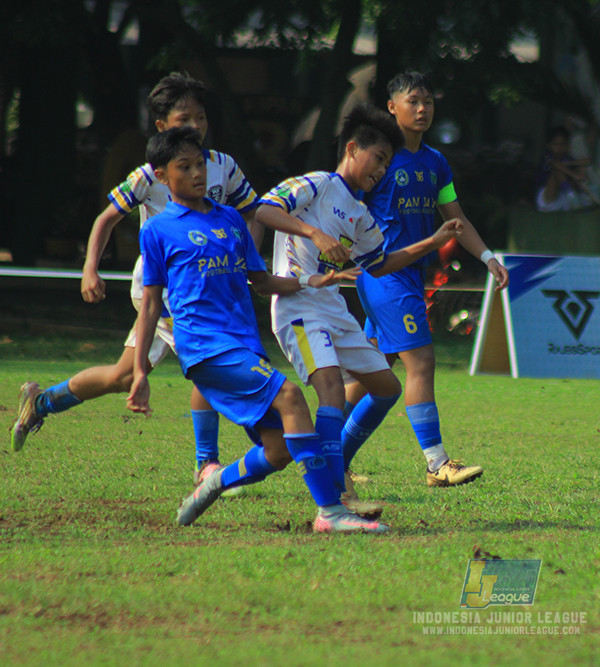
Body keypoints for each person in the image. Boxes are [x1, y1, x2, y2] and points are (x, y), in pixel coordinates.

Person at [127, 126, 393, 533]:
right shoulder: (158, 230)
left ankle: (216, 481)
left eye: (200, 164)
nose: (198, 173)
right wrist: (141, 371)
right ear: (162, 176)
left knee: (280, 448)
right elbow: (150, 304)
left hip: (244, 347)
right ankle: (332, 511)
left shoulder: (232, 219)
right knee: (291, 397)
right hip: (203, 346)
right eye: (185, 167)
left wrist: (309, 282)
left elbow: (263, 282)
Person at [11, 73, 259, 496]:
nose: (195, 126)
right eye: (185, 118)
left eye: (200, 117)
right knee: (208, 361)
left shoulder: (223, 165)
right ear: (162, 126)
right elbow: (107, 217)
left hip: (207, 285)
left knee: (125, 376)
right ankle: (207, 465)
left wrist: (243, 259)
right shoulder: (151, 174)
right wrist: (91, 267)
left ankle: (42, 402)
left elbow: (252, 211)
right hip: (162, 288)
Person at [256, 104, 467, 514]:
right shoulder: (315, 185)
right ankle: (335, 496)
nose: (382, 170)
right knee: (332, 389)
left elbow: (380, 263)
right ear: (352, 149)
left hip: (335, 311)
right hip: (299, 307)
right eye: (379, 158)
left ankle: (337, 468)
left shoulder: (361, 215)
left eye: (388, 163)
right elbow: (263, 209)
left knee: (387, 387)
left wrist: (433, 240)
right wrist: (312, 233)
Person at [346, 71, 510, 487]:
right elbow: (344, 203)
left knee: (374, 376)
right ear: (392, 107)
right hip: (386, 276)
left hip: (410, 277)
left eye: (429, 102)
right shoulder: (380, 160)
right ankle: (437, 463)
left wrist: (488, 256)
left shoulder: (435, 162)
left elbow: (455, 218)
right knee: (421, 361)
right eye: (413, 101)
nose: (422, 109)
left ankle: (326, 453)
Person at [535, 125, 594, 212]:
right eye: (556, 144)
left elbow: (587, 161)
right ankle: (571, 196)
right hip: (548, 199)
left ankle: (584, 198)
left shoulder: (567, 158)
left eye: (563, 144)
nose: (560, 148)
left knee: (581, 167)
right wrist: (574, 175)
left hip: (563, 198)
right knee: (557, 170)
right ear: (548, 145)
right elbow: (555, 164)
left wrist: (569, 164)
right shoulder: (547, 157)